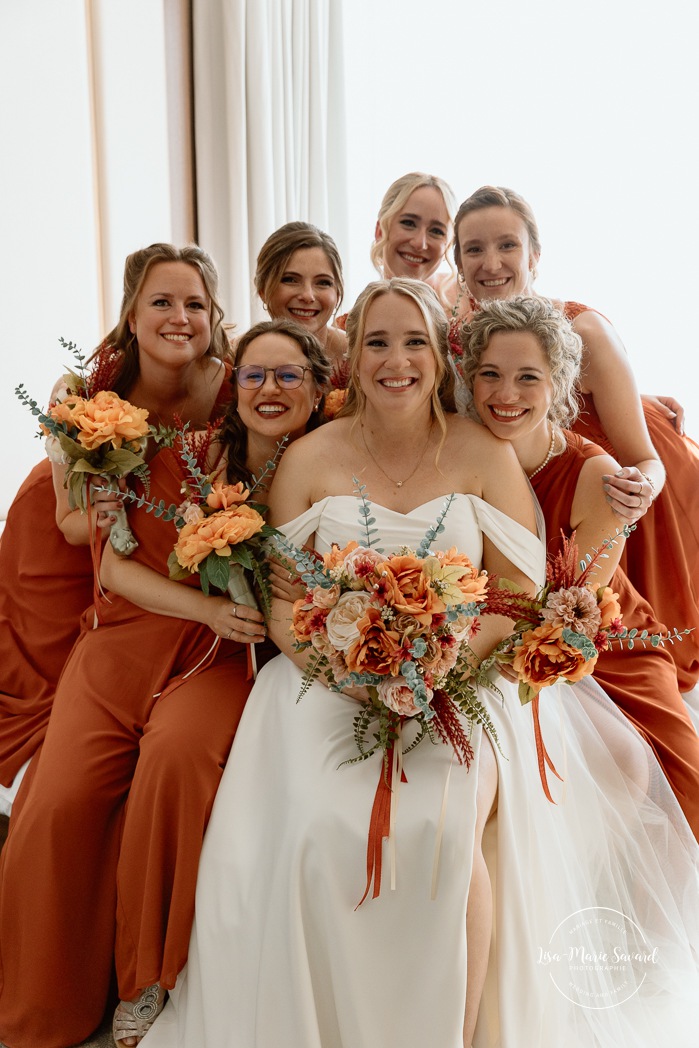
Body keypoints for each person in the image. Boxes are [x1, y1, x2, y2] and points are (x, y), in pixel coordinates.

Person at [142, 279, 699, 1048]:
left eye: (413, 342)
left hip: (465, 679)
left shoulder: (482, 453)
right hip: (320, 682)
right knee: (315, 825)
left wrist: (434, 666)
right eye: (376, 341)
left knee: (440, 829)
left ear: (439, 358)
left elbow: (516, 590)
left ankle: (449, 1032)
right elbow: (279, 602)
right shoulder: (309, 457)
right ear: (354, 356)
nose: (394, 360)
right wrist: (350, 671)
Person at [0, 319, 330, 1048]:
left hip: (229, 667)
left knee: (176, 761)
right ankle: (36, 1009)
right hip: (153, 637)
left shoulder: (333, 468)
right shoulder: (185, 458)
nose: (269, 390)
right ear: (231, 386)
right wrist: (214, 606)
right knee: (56, 805)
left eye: (288, 376)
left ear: (318, 386)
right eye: (254, 376)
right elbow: (113, 567)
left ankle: (148, 979)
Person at [0, 243, 234, 818]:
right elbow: (70, 522)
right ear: (132, 315)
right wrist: (115, 511)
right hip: (65, 539)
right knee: (56, 692)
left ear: (214, 317)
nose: (180, 318)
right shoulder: (84, 393)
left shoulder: (232, 386)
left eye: (195, 305)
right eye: (161, 302)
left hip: (157, 552)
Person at [458, 294, 699, 837]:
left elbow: (567, 607)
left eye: (528, 378)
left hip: (597, 638)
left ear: (559, 383)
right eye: (490, 375)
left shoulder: (598, 476)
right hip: (487, 637)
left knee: (682, 785)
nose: (506, 395)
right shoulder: (455, 453)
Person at [452, 185, 699, 692]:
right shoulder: (456, 335)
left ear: (535, 254)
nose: (491, 262)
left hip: (593, 499)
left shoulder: (585, 331)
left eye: (508, 245)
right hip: (518, 498)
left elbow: (645, 460)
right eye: (474, 249)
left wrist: (640, 489)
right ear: (457, 262)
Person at [253, 221, 346, 367]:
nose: (308, 296)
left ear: (338, 292)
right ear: (262, 290)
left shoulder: (359, 356)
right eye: (290, 280)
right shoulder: (237, 360)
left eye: (323, 282)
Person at [371, 171, 458, 309]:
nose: (420, 243)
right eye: (409, 223)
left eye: (436, 231)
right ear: (380, 231)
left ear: (448, 245)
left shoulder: (474, 299)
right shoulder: (351, 325)